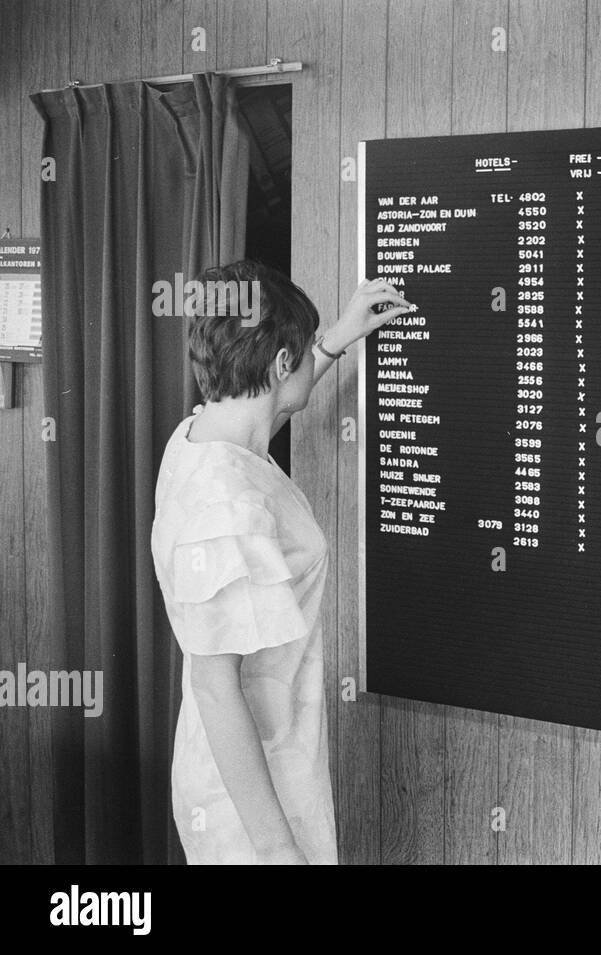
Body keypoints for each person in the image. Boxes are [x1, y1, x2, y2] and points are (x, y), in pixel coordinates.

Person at [150, 261, 412, 864]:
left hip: (265, 765)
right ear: (278, 366)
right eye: (295, 356)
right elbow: (217, 689)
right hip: (248, 803)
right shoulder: (226, 501)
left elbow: (273, 408)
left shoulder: (203, 434)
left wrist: (332, 340)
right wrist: (275, 850)